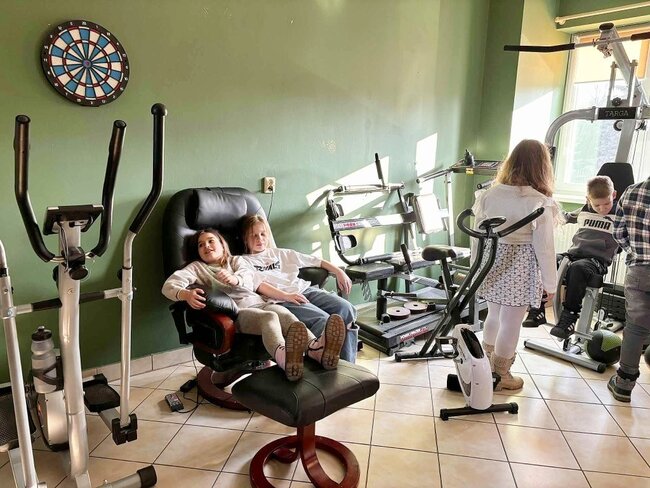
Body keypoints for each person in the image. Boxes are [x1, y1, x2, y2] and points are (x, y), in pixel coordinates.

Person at [162, 229, 346, 381]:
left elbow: (252, 280)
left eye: (211, 241)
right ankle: (286, 359)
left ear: (222, 245)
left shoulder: (236, 261)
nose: (206, 246)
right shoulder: (196, 268)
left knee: (286, 315)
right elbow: (168, 286)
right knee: (270, 317)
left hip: (261, 303)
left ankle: (315, 349)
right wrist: (185, 294)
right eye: (201, 245)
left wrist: (236, 279)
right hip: (239, 314)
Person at [472, 139, 560, 390]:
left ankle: (486, 364)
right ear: (542, 167)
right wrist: (551, 284)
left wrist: (477, 268)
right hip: (520, 265)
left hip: (492, 260)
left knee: (494, 314)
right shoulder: (538, 201)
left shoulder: (490, 194)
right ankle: (501, 374)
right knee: (511, 322)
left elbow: (477, 236)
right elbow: (545, 247)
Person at [239, 215, 359, 363]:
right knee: (323, 320)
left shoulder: (281, 253)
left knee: (347, 309)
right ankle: (323, 366)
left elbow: (317, 261)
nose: (260, 239)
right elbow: (258, 285)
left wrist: (339, 272)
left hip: (305, 290)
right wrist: (286, 296)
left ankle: (347, 365)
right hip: (282, 299)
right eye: (254, 235)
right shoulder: (243, 261)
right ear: (245, 238)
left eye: (263, 234)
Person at [523, 176, 619, 339]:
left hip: (596, 260)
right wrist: (546, 211)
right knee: (546, 260)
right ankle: (538, 308)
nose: (602, 209)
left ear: (614, 195)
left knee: (577, 268)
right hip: (573, 254)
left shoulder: (621, 214)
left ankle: (569, 317)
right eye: (597, 205)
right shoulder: (585, 209)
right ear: (588, 199)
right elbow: (564, 217)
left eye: (606, 204)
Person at [608, 175, 650, 402]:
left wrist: (635, 253)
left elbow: (618, 233)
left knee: (635, 328)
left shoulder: (632, 191)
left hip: (640, 270)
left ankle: (624, 384)